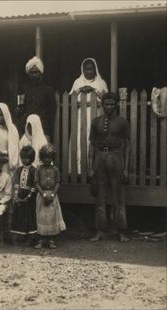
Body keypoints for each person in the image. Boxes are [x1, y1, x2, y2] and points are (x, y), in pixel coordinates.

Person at [88, 92, 130, 242]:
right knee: (100, 195)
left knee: (119, 195)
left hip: (116, 158)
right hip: (100, 158)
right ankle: (100, 231)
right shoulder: (95, 122)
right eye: (107, 104)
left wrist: (125, 168)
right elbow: (92, 145)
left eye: (112, 104)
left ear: (116, 105)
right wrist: (90, 166)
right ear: (102, 105)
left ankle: (121, 232)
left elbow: (127, 146)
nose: (109, 107)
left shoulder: (122, 122)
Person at [69, 58, 108, 174]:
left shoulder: (101, 82)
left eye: (91, 69)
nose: (89, 71)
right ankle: (79, 170)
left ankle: (94, 169)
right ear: (83, 70)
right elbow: (72, 100)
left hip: (95, 115)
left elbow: (105, 99)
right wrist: (81, 89)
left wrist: (93, 89)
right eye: (87, 69)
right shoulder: (77, 82)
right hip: (80, 116)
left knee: (93, 139)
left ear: (95, 70)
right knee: (80, 140)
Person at [15, 56, 56, 141]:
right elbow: (20, 107)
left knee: (42, 152)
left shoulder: (48, 90)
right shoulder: (23, 89)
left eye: (36, 72)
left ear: (41, 73)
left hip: (43, 127)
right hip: (26, 127)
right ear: (28, 73)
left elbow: (51, 112)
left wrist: (48, 131)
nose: (34, 75)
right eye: (32, 72)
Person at [35, 144, 66, 249]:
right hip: (41, 195)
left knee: (52, 217)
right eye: (44, 157)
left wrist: (53, 194)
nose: (46, 159)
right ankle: (41, 240)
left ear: (52, 158)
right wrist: (43, 194)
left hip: (53, 196)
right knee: (42, 217)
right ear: (41, 158)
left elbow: (58, 182)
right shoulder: (38, 169)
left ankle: (51, 240)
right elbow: (36, 183)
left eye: (49, 157)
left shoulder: (55, 170)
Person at [10, 146, 37, 245]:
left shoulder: (34, 170)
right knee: (19, 216)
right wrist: (16, 195)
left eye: (27, 158)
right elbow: (16, 181)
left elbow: (35, 184)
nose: (25, 160)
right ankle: (19, 237)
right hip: (19, 195)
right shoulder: (18, 170)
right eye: (23, 158)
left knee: (29, 217)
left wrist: (28, 197)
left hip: (30, 197)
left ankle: (30, 238)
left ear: (32, 158)